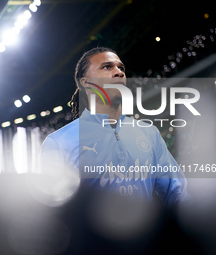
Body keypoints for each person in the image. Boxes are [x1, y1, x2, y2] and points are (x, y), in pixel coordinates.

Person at [41, 47, 190, 207]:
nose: (119, 72)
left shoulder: (148, 132)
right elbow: (53, 211)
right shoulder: (58, 143)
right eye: (107, 67)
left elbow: (178, 195)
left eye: (121, 68)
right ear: (86, 82)